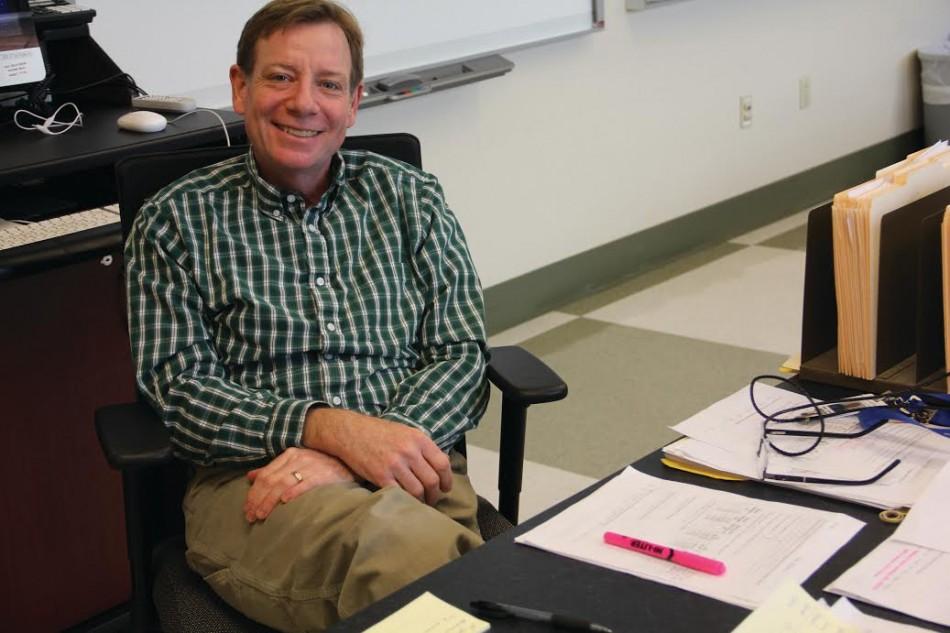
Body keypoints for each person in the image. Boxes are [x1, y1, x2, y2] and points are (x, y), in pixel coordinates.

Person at [124, 1, 488, 630]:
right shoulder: (175, 221)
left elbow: (461, 355)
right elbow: (180, 394)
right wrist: (328, 430)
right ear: (241, 88)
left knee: (427, 567)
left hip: (414, 462)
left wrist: (369, 446)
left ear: (353, 102)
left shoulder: (411, 199)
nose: (304, 102)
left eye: (328, 83)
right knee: (422, 562)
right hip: (258, 489)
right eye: (280, 77)